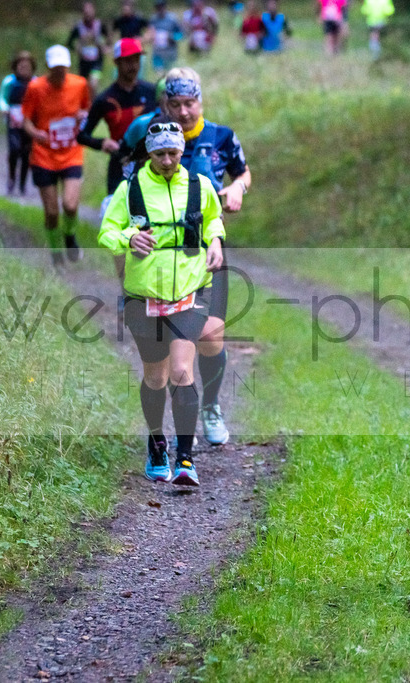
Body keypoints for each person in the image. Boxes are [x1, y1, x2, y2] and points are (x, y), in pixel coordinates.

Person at [99, 119, 225, 487]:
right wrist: (129, 237)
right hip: (144, 294)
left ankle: (186, 459)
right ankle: (157, 442)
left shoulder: (199, 186)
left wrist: (215, 241)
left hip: (190, 290)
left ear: (182, 151)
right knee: (155, 377)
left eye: (173, 153)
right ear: (149, 154)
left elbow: (213, 221)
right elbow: (106, 232)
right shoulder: (131, 188)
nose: (167, 161)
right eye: (159, 154)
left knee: (182, 372)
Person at [163, 67, 251, 446]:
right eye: (177, 104)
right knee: (176, 342)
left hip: (209, 246)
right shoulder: (155, 137)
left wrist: (237, 189)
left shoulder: (222, 137)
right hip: (165, 255)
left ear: (201, 101)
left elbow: (244, 174)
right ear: (166, 104)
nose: (184, 112)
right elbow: (132, 185)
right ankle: (184, 420)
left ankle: (211, 406)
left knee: (211, 334)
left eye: (190, 103)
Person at [21, 45, 92, 268]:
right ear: (48, 67)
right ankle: (55, 253)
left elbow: (87, 111)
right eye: (55, 68)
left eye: (63, 68)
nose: (59, 72)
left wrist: (83, 115)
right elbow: (26, 120)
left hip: (71, 152)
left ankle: (70, 237)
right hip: (44, 155)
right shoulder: (35, 88)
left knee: (70, 205)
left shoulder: (79, 84)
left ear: (68, 66)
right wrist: (35, 133)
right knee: (52, 212)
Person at [77, 38, 157, 195]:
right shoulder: (104, 99)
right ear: (117, 62)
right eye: (128, 61)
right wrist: (102, 143)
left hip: (152, 162)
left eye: (136, 60)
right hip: (120, 163)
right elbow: (82, 135)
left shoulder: (152, 91)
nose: (133, 65)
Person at [0, 50, 36, 196]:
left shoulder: (36, 82)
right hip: (13, 122)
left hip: (29, 123)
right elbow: (2, 98)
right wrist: (5, 109)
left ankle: (22, 184)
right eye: (21, 66)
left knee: (26, 153)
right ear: (15, 66)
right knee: (14, 150)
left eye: (27, 66)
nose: (24, 69)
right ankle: (12, 178)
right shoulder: (9, 82)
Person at [66, 2, 109, 94]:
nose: (88, 14)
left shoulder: (100, 25)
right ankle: (85, 105)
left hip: (97, 62)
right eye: (86, 12)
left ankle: (94, 105)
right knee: (83, 86)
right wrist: (76, 49)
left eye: (90, 11)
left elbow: (109, 38)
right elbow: (69, 43)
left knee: (93, 84)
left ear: (94, 12)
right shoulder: (78, 27)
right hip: (84, 62)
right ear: (83, 13)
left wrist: (105, 47)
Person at [147, 0, 182, 74]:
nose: (160, 9)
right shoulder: (153, 20)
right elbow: (149, 34)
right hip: (158, 54)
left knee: (171, 74)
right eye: (158, 7)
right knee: (158, 75)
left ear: (165, 7)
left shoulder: (172, 19)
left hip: (170, 53)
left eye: (161, 6)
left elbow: (181, 34)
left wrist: (172, 37)